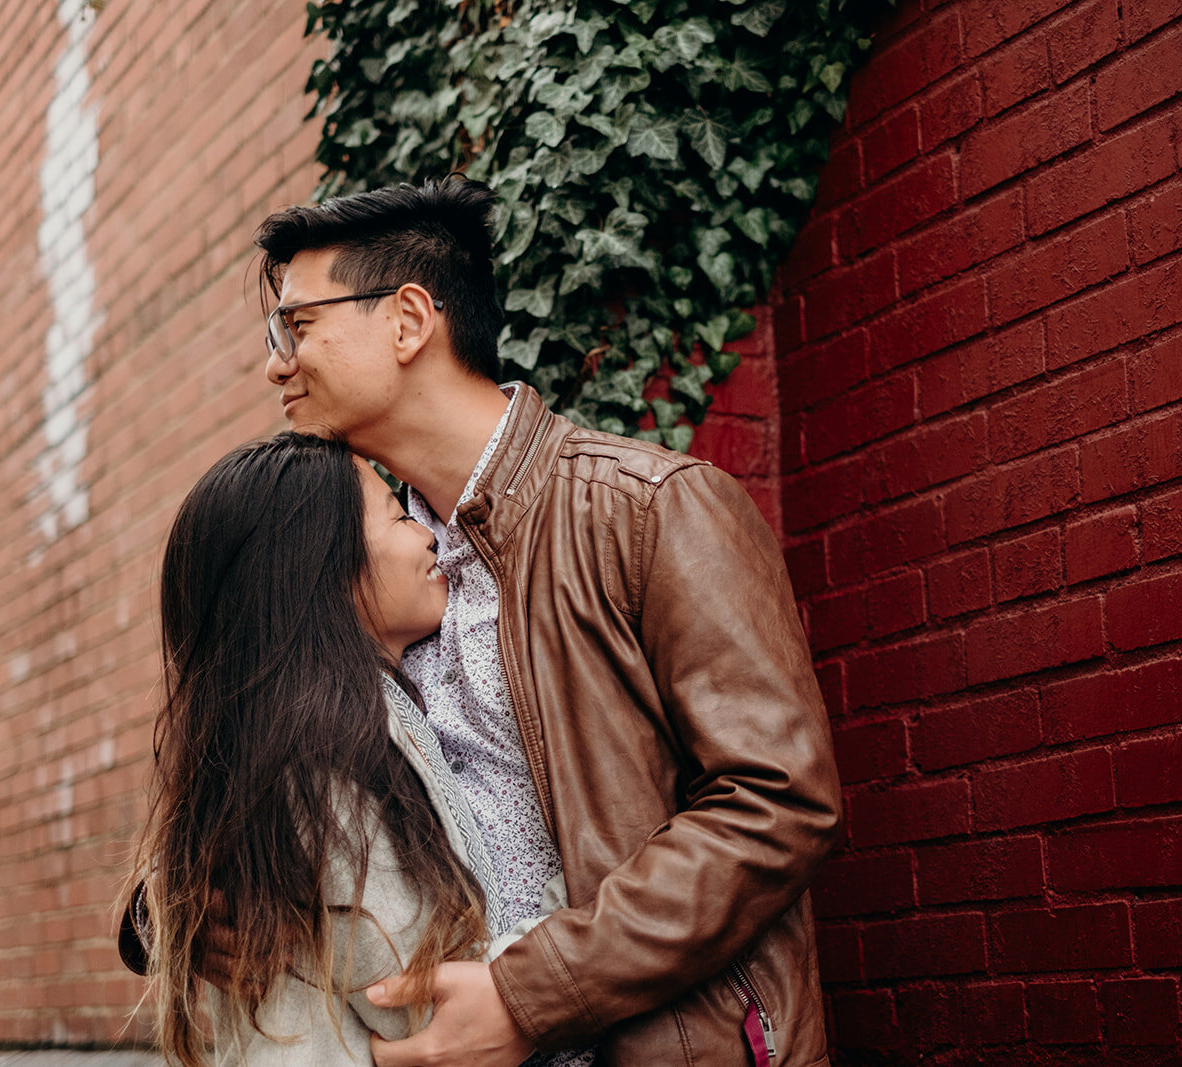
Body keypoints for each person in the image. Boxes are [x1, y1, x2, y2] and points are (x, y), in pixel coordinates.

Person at [246, 175, 843, 1067]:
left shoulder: (652, 512)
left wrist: (532, 996)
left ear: (409, 321)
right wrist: (190, 905)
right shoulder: (371, 569)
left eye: (299, 327)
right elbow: (254, 740)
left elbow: (777, 799)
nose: (275, 364)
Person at [131, 431, 517, 1066]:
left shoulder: (289, 740)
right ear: (324, 571)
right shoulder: (331, 759)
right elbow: (420, 1001)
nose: (430, 535)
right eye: (397, 516)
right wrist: (574, 911)